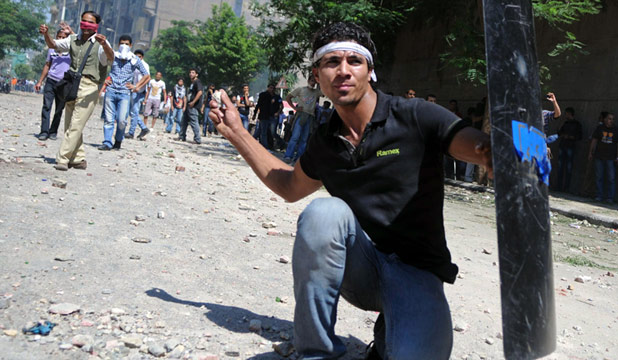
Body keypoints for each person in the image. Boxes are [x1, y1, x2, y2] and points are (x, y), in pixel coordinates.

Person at [207, 22, 492, 359]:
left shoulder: (414, 116)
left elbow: (473, 146)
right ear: (317, 75)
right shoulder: (325, 142)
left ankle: (390, 332)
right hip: (362, 271)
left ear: (370, 70)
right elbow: (288, 186)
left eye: (354, 61)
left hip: (418, 274)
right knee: (323, 214)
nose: (343, 71)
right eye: (331, 62)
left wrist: (497, 153)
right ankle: (317, 352)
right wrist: (238, 133)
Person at [39, 11, 114, 171]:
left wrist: (105, 45)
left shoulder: (100, 44)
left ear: (96, 26)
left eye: (90, 23)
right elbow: (53, 45)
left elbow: (110, 58)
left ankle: (63, 159)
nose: (86, 25)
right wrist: (46, 34)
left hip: (90, 86)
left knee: (76, 124)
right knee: (70, 124)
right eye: (84, 21)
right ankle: (78, 159)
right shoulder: (72, 40)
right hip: (72, 84)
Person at [98, 34, 149, 151]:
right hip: (111, 91)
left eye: (126, 44)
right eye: (122, 43)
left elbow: (146, 75)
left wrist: (136, 86)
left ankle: (118, 140)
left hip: (124, 93)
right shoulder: (114, 55)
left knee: (122, 120)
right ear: (118, 44)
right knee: (109, 119)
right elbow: (106, 55)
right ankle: (107, 142)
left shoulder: (134, 60)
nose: (124, 46)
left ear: (131, 45)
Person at [35, 29, 71, 141]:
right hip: (51, 80)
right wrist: (40, 81)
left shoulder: (71, 50)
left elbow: (79, 41)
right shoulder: (52, 49)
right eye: (58, 37)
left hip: (64, 83)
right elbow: (47, 65)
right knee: (46, 106)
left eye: (63, 37)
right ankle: (44, 131)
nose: (60, 39)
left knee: (59, 109)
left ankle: (53, 131)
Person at [283, 76, 323, 162]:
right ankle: (288, 156)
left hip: (310, 116)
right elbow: (288, 97)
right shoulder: (301, 89)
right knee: (295, 137)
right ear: (308, 81)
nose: (313, 83)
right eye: (312, 80)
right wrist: (295, 108)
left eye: (315, 82)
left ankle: (298, 158)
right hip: (301, 115)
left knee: (304, 139)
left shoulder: (316, 92)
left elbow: (326, 93)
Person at [588, 112, 618, 203]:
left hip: (611, 157)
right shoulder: (599, 128)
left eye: (612, 119)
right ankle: (598, 196)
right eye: (609, 118)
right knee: (599, 177)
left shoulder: (616, 130)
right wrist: (590, 152)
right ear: (605, 119)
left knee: (611, 178)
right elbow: (594, 140)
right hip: (599, 156)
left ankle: (609, 198)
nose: (611, 121)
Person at [125, 49, 151, 139]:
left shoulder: (145, 65)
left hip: (139, 91)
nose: (138, 58)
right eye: (136, 56)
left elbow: (147, 78)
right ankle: (143, 128)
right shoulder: (134, 63)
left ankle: (131, 132)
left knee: (134, 112)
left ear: (142, 57)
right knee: (132, 112)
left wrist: (138, 87)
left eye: (139, 57)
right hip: (134, 90)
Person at [556, 107, 582, 192]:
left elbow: (579, 136)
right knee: (560, 167)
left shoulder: (577, 124)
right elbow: (559, 133)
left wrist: (570, 137)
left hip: (570, 146)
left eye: (566, 113)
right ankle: (559, 186)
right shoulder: (565, 123)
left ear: (570, 113)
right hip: (563, 145)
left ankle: (566, 187)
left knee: (568, 167)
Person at [253, 83, 283, 150]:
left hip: (273, 116)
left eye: (273, 88)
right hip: (264, 115)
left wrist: (278, 112)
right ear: (268, 88)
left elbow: (281, 106)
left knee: (272, 132)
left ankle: (279, 143)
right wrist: (255, 114)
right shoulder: (264, 95)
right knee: (262, 131)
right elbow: (259, 105)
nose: (271, 89)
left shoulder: (277, 97)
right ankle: (265, 146)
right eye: (270, 88)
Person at [177, 68, 203, 144]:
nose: (191, 74)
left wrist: (193, 102)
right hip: (188, 105)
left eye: (193, 72)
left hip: (193, 106)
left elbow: (200, 92)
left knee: (194, 122)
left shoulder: (197, 82)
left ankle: (197, 139)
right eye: (190, 72)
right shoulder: (192, 83)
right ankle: (182, 136)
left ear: (196, 74)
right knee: (184, 121)